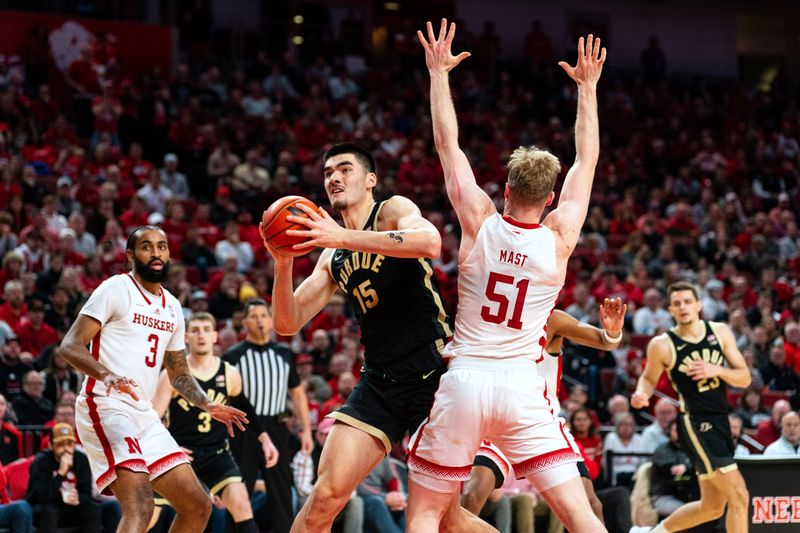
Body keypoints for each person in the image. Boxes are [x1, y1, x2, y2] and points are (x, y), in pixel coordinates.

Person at [407, 20, 607, 532]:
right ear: (550, 196)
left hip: (465, 380)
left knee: (428, 513)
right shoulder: (560, 235)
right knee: (581, 517)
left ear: (505, 187)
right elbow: (587, 159)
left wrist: (438, 74)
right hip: (522, 387)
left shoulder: (478, 218)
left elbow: (446, 146)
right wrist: (587, 90)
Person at [263, 138, 455, 531]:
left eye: (344, 169)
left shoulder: (391, 210)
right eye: (328, 172)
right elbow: (287, 322)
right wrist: (283, 264)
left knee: (447, 519)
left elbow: (430, 242)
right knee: (324, 499)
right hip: (379, 382)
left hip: (434, 376)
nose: (334, 177)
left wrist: (342, 237)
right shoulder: (331, 255)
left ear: (370, 179)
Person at [57, 225, 248, 533]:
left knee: (197, 505)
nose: (156, 253)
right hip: (105, 406)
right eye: (147, 247)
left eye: (162, 246)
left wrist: (208, 405)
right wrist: (107, 374)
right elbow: (70, 345)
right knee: (142, 506)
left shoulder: (172, 307)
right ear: (131, 255)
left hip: (144, 415)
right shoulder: (116, 288)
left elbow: (179, 374)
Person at [461, 298, 627, 524]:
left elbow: (605, 342)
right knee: (470, 498)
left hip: (541, 423)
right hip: (498, 419)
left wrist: (612, 333)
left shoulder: (552, 319)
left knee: (590, 504)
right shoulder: (491, 316)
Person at [630, 281, 751, 533]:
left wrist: (717, 369)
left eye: (687, 301)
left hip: (720, 421)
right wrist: (642, 393)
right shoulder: (663, 344)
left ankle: (654, 532)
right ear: (670, 309)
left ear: (698, 305)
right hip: (695, 422)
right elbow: (649, 378)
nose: (683, 307)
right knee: (739, 496)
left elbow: (745, 377)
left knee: (712, 507)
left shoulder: (720, 331)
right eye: (677, 303)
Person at [152, 311, 279, 533]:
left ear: (215, 336)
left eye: (206, 330)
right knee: (147, 517)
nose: (201, 335)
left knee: (242, 504)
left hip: (216, 455)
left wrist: (265, 439)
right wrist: (168, 449)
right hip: (181, 456)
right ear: (186, 337)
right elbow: (152, 419)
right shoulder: (171, 376)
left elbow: (245, 410)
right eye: (195, 330)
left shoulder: (229, 373)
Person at [223, 299, 313, 533]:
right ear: (244, 322)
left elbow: (297, 392)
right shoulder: (233, 355)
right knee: (240, 489)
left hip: (277, 427)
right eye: (254, 316)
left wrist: (307, 430)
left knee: (282, 492)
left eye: (264, 315)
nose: (260, 320)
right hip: (245, 430)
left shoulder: (284, 353)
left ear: (271, 319)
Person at [26, 423, 100, 531]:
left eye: (69, 444)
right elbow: (41, 496)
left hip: (72, 507)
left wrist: (78, 498)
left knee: (93, 509)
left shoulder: (81, 459)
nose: (66, 449)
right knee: (49, 511)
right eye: (60, 444)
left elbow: (86, 492)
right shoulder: (41, 461)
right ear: (50, 445)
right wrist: (61, 473)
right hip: (45, 507)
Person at [650, 420, 699, 518]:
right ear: (669, 432)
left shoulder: (693, 450)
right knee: (689, 513)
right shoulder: (662, 449)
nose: (680, 434)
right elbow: (672, 471)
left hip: (689, 495)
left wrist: (687, 469)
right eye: (677, 431)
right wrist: (688, 470)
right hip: (665, 496)